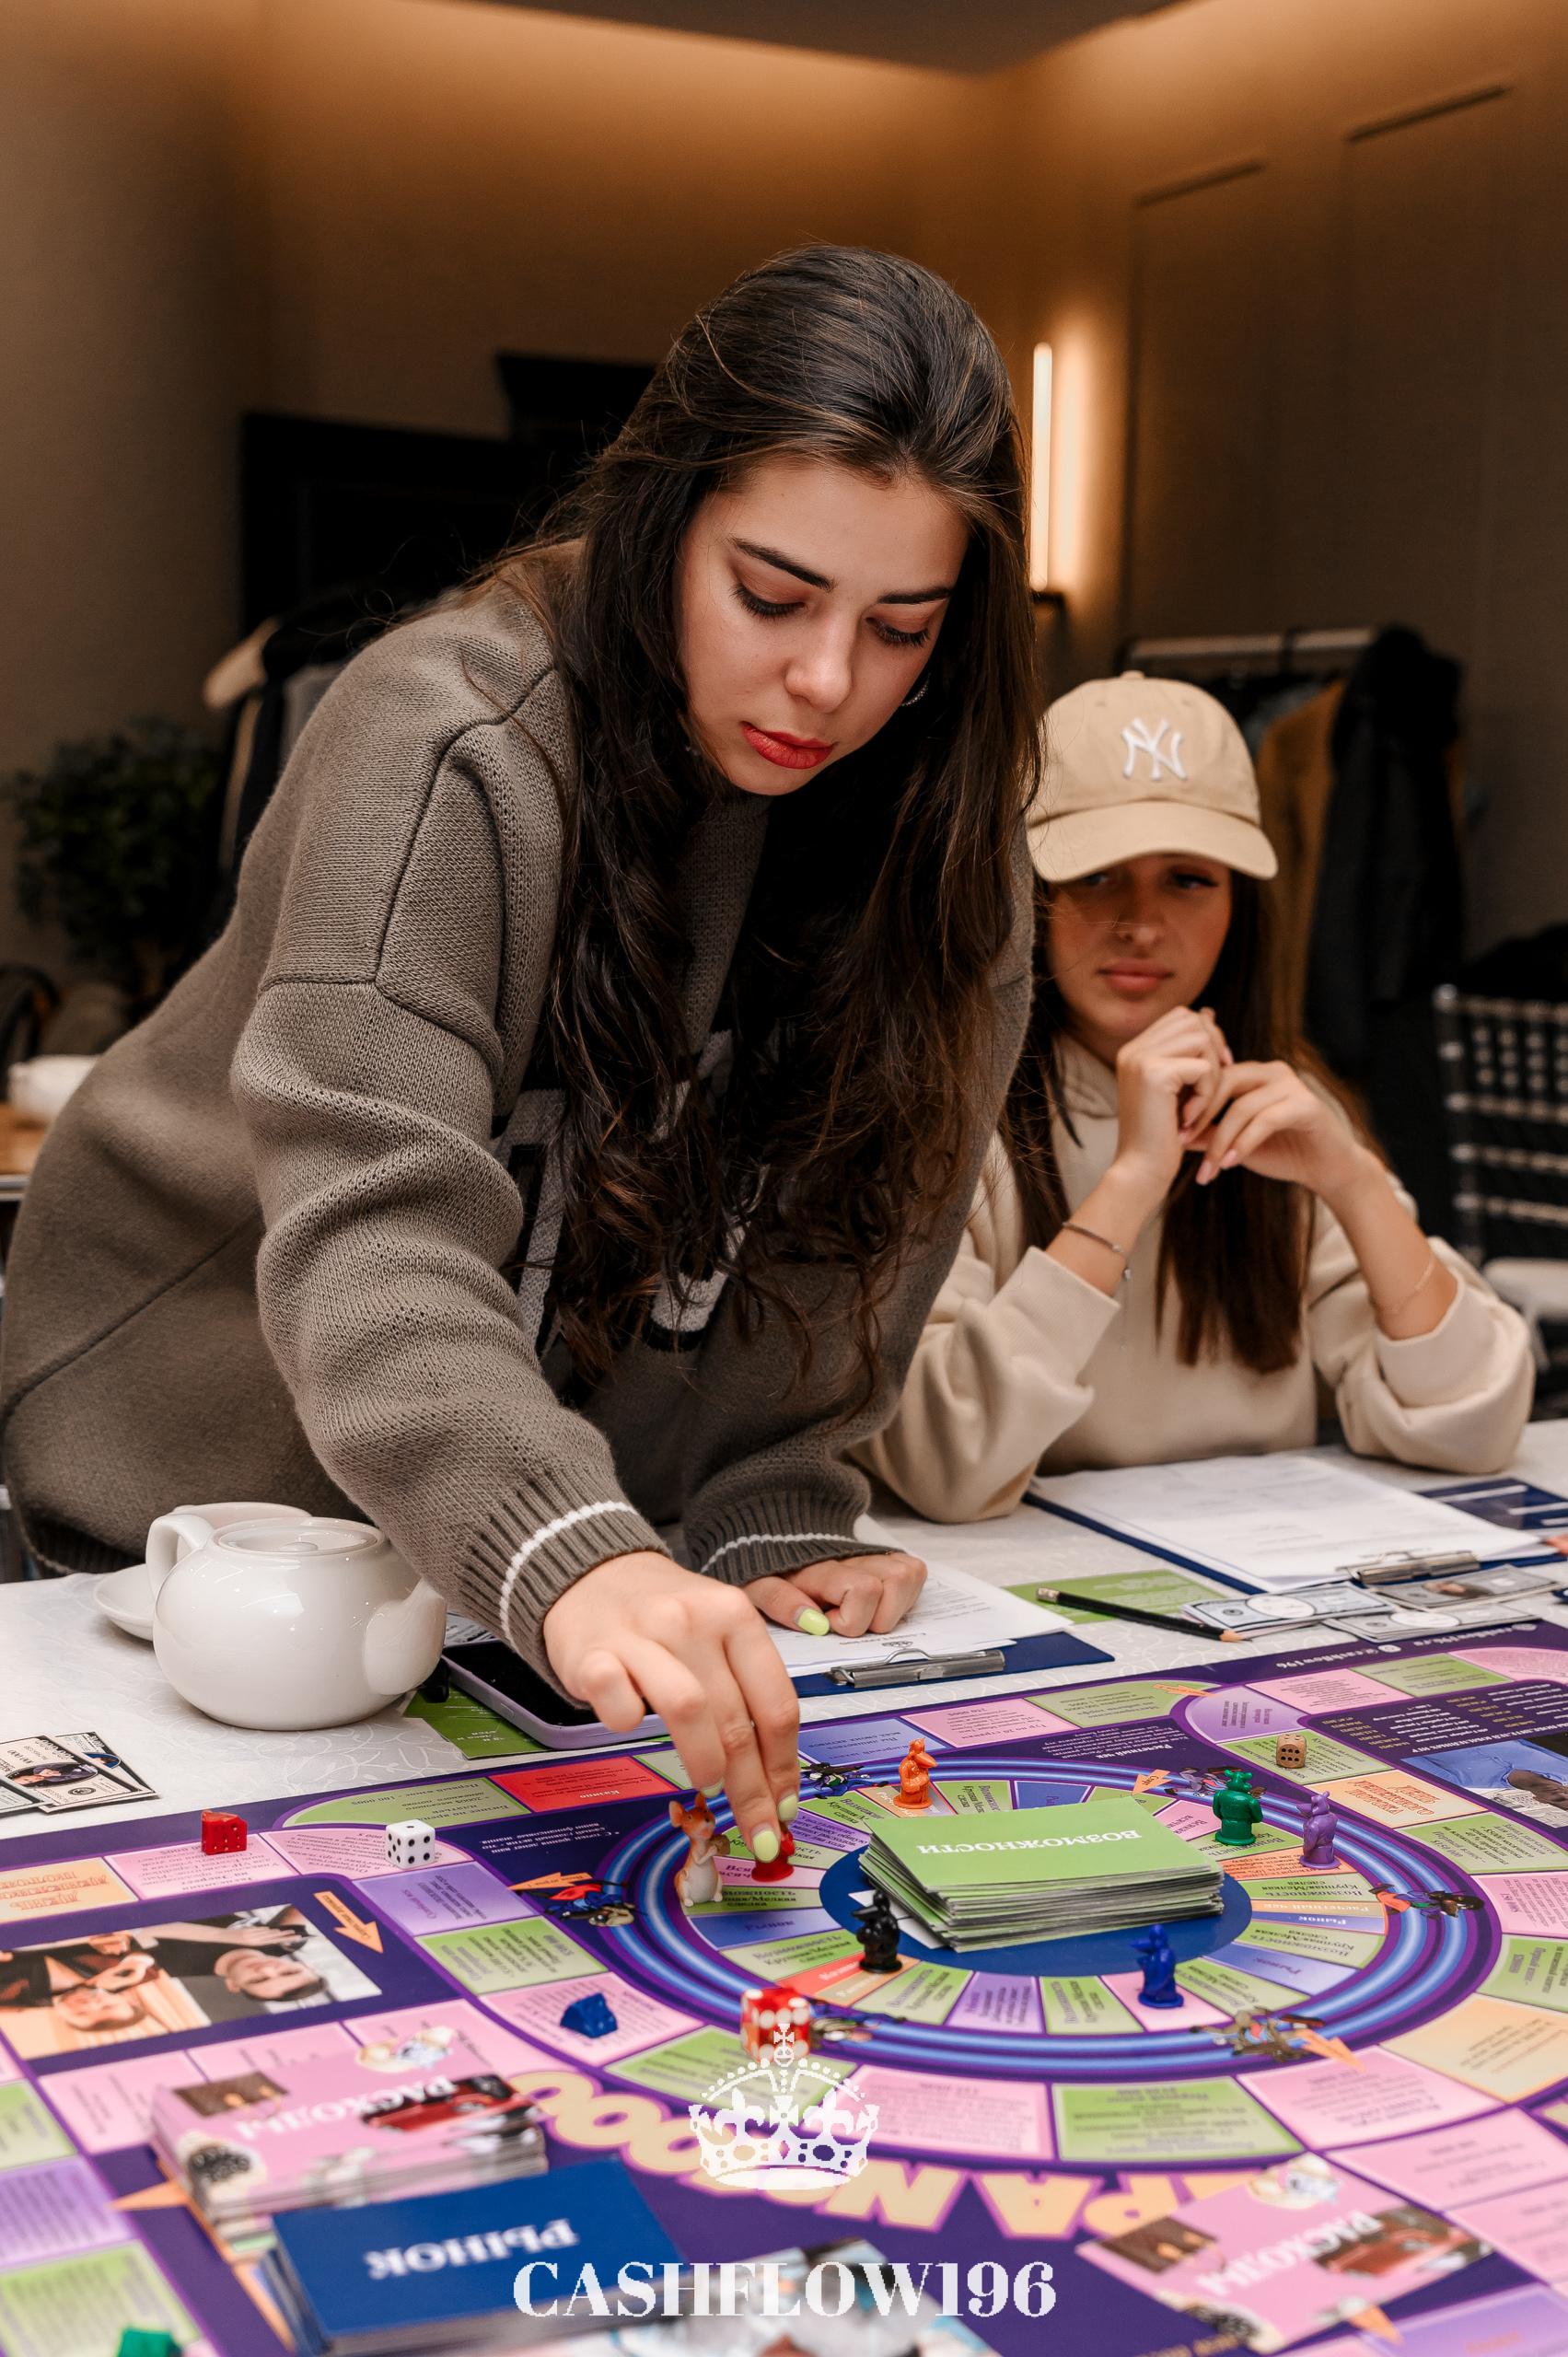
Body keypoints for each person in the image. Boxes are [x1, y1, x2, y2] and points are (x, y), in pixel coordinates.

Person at [0, 248, 1037, 1858]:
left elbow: (855, 1228)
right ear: (656, 520)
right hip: (183, 1518)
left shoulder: (946, 835)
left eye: (900, 627)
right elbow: (376, 1226)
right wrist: (566, 1545)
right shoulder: (447, 734)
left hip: (539, 1577)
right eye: (770, 596)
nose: (827, 681)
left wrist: (765, 1508)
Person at [858, 672, 1533, 1522]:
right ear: (1024, 891)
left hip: (1259, 1576)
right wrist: (1133, 1178)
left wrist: (1354, 1182)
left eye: (1186, 879)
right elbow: (943, 1464)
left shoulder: (1279, 1107)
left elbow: (1471, 1422)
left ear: (1239, 906)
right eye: (1096, 874)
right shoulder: (936, 1114)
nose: (1140, 923)